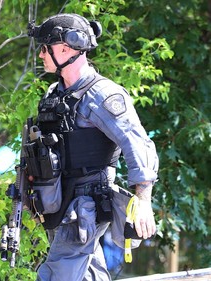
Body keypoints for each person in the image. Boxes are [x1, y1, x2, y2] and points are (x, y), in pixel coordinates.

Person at [26, 13, 158, 281]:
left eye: (44, 48)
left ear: (64, 49)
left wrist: (143, 199)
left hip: (84, 208)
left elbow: (138, 143)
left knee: (55, 274)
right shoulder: (54, 94)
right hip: (60, 203)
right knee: (89, 275)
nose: (41, 55)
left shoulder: (103, 95)